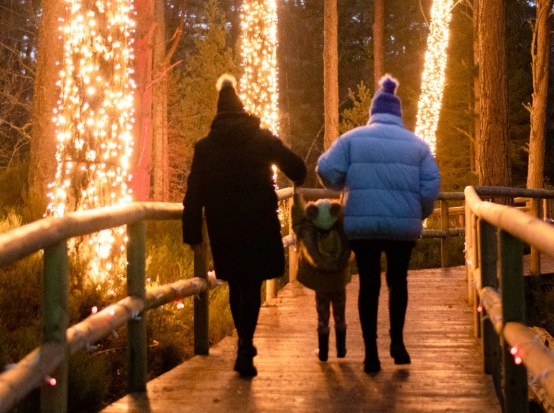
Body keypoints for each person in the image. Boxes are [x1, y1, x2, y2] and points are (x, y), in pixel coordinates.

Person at [182, 74, 307, 378]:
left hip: (223, 224)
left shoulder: (205, 148)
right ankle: (245, 345)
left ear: (218, 114)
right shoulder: (262, 138)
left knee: (236, 282)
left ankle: (244, 343)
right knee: (250, 283)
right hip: (258, 220)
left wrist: (193, 234)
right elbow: (298, 169)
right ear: (242, 109)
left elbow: (193, 193)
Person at [317, 75, 440, 374]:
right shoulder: (419, 146)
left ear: (373, 112)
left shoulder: (352, 139)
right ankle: (397, 344)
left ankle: (370, 353)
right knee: (398, 282)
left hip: (362, 226)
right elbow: (430, 186)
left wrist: (341, 185)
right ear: (398, 114)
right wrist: (418, 214)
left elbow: (325, 170)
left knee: (369, 284)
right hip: (402, 229)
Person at [292, 196, 351, 361]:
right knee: (340, 316)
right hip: (338, 283)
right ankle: (341, 349)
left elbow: (298, 224)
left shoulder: (309, 233)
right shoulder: (343, 231)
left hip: (321, 285)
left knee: (322, 317)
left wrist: (297, 199)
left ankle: (323, 352)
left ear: (313, 215)